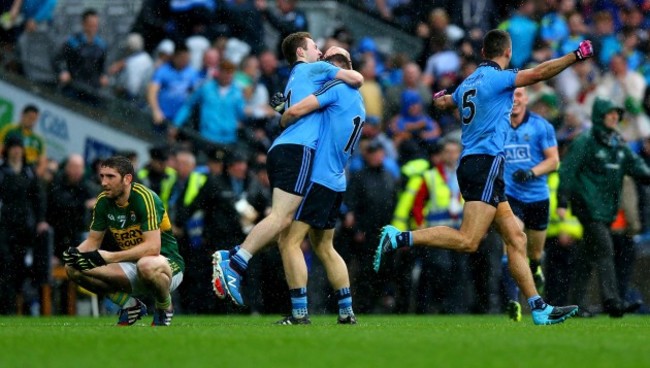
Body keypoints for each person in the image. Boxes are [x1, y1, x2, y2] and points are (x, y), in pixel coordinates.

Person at [374, 29, 594, 325]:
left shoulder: (468, 81)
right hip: (485, 164)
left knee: (516, 238)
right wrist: (575, 56)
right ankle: (399, 237)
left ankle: (538, 307)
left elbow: (448, 100)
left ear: (482, 53)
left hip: (476, 164)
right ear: (507, 53)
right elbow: (541, 72)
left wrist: (444, 100)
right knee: (468, 240)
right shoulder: (498, 78)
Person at [211, 32, 363, 308]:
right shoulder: (337, 88)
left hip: (291, 151)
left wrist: (284, 114)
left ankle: (237, 259)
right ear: (301, 53)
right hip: (309, 158)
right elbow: (357, 79)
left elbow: (291, 111)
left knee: (288, 234)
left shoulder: (304, 76)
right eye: (316, 48)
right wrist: (286, 115)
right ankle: (236, 261)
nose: (320, 53)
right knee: (288, 227)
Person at [259, 49, 363, 324]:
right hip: (337, 181)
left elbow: (298, 111)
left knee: (289, 241)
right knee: (325, 247)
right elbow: (321, 121)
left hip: (319, 179)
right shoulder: (358, 101)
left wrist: (283, 115)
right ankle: (346, 311)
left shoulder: (334, 87)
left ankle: (299, 313)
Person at [62, 156, 184, 326]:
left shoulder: (145, 197)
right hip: (132, 266)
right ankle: (130, 306)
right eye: (102, 176)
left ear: (127, 179)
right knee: (73, 268)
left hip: (166, 265)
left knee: (146, 265)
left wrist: (108, 257)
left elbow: (153, 248)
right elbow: (92, 242)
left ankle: (164, 306)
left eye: (110, 177)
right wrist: (75, 253)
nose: (104, 182)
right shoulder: (103, 201)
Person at [557, 97, 650, 317]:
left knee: (585, 257)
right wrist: (562, 200)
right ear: (600, 116)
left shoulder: (618, 142)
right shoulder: (585, 141)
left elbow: (637, 167)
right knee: (606, 249)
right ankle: (613, 302)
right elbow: (567, 171)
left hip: (606, 209)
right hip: (587, 207)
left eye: (617, 114)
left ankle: (575, 306)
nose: (615, 117)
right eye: (610, 113)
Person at [500, 87, 559, 322]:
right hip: (510, 196)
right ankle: (513, 299)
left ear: (526, 99)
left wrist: (531, 172)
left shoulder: (540, 126)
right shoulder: (498, 125)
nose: (514, 100)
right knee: (513, 244)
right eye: (511, 96)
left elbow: (553, 161)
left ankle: (535, 267)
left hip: (537, 198)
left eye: (519, 95)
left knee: (534, 251)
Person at [0, 104, 46, 175]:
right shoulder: (9, 130)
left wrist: (34, 178)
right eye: (30, 118)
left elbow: (42, 163)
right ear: (22, 115)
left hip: (28, 171)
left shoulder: (38, 139)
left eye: (34, 119)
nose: (32, 121)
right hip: (8, 166)